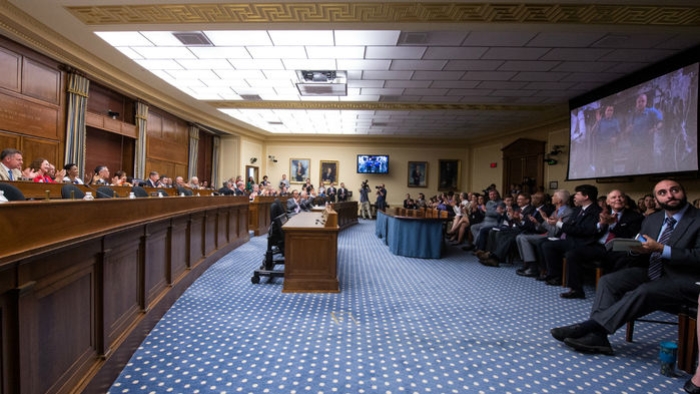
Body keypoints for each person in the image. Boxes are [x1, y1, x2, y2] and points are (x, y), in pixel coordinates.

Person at [550, 179, 700, 355]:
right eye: (662, 193)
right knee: (608, 281)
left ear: (684, 192)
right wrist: (636, 249)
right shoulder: (653, 219)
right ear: (656, 199)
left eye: (674, 190)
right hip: (654, 271)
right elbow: (641, 248)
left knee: (645, 290)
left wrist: (661, 249)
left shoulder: (696, 219)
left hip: (687, 278)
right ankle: (598, 337)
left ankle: (590, 327)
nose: (670, 195)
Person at [558, 190, 643, 299]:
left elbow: (630, 236)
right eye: (613, 197)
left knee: (623, 258)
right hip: (599, 246)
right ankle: (576, 290)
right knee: (572, 254)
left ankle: (615, 291)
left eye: (620, 197)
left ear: (625, 200)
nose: (617, 199)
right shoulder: (600, 214)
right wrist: (600, 224)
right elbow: (591, 230)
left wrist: (613, 224)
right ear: (608, 202)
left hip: (618, 248)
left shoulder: (635, 217)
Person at [539, 184, 602, 286]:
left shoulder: (596, 211)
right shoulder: (577, 210)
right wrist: (556, 223)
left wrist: (558, 224)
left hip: (583, 242)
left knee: (550, 246)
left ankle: (557, 277)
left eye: (577, 194)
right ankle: (553, 275)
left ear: (586, 197)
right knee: (546, 244)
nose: (574, 196)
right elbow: (569, 226)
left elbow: (583, 230)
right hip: (571, 239)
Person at [516, 189, 571, 278]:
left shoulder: (568, 212)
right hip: (547, 234)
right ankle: (528, 264)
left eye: (554, 196)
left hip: (557, 237)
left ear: (560, 200)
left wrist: (545, 219)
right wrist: (537, 223)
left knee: (523, 238)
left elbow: (555, 232)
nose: (552, 197)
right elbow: (547, 228)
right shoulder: (555, 211)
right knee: (521, 237)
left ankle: (533, 267)